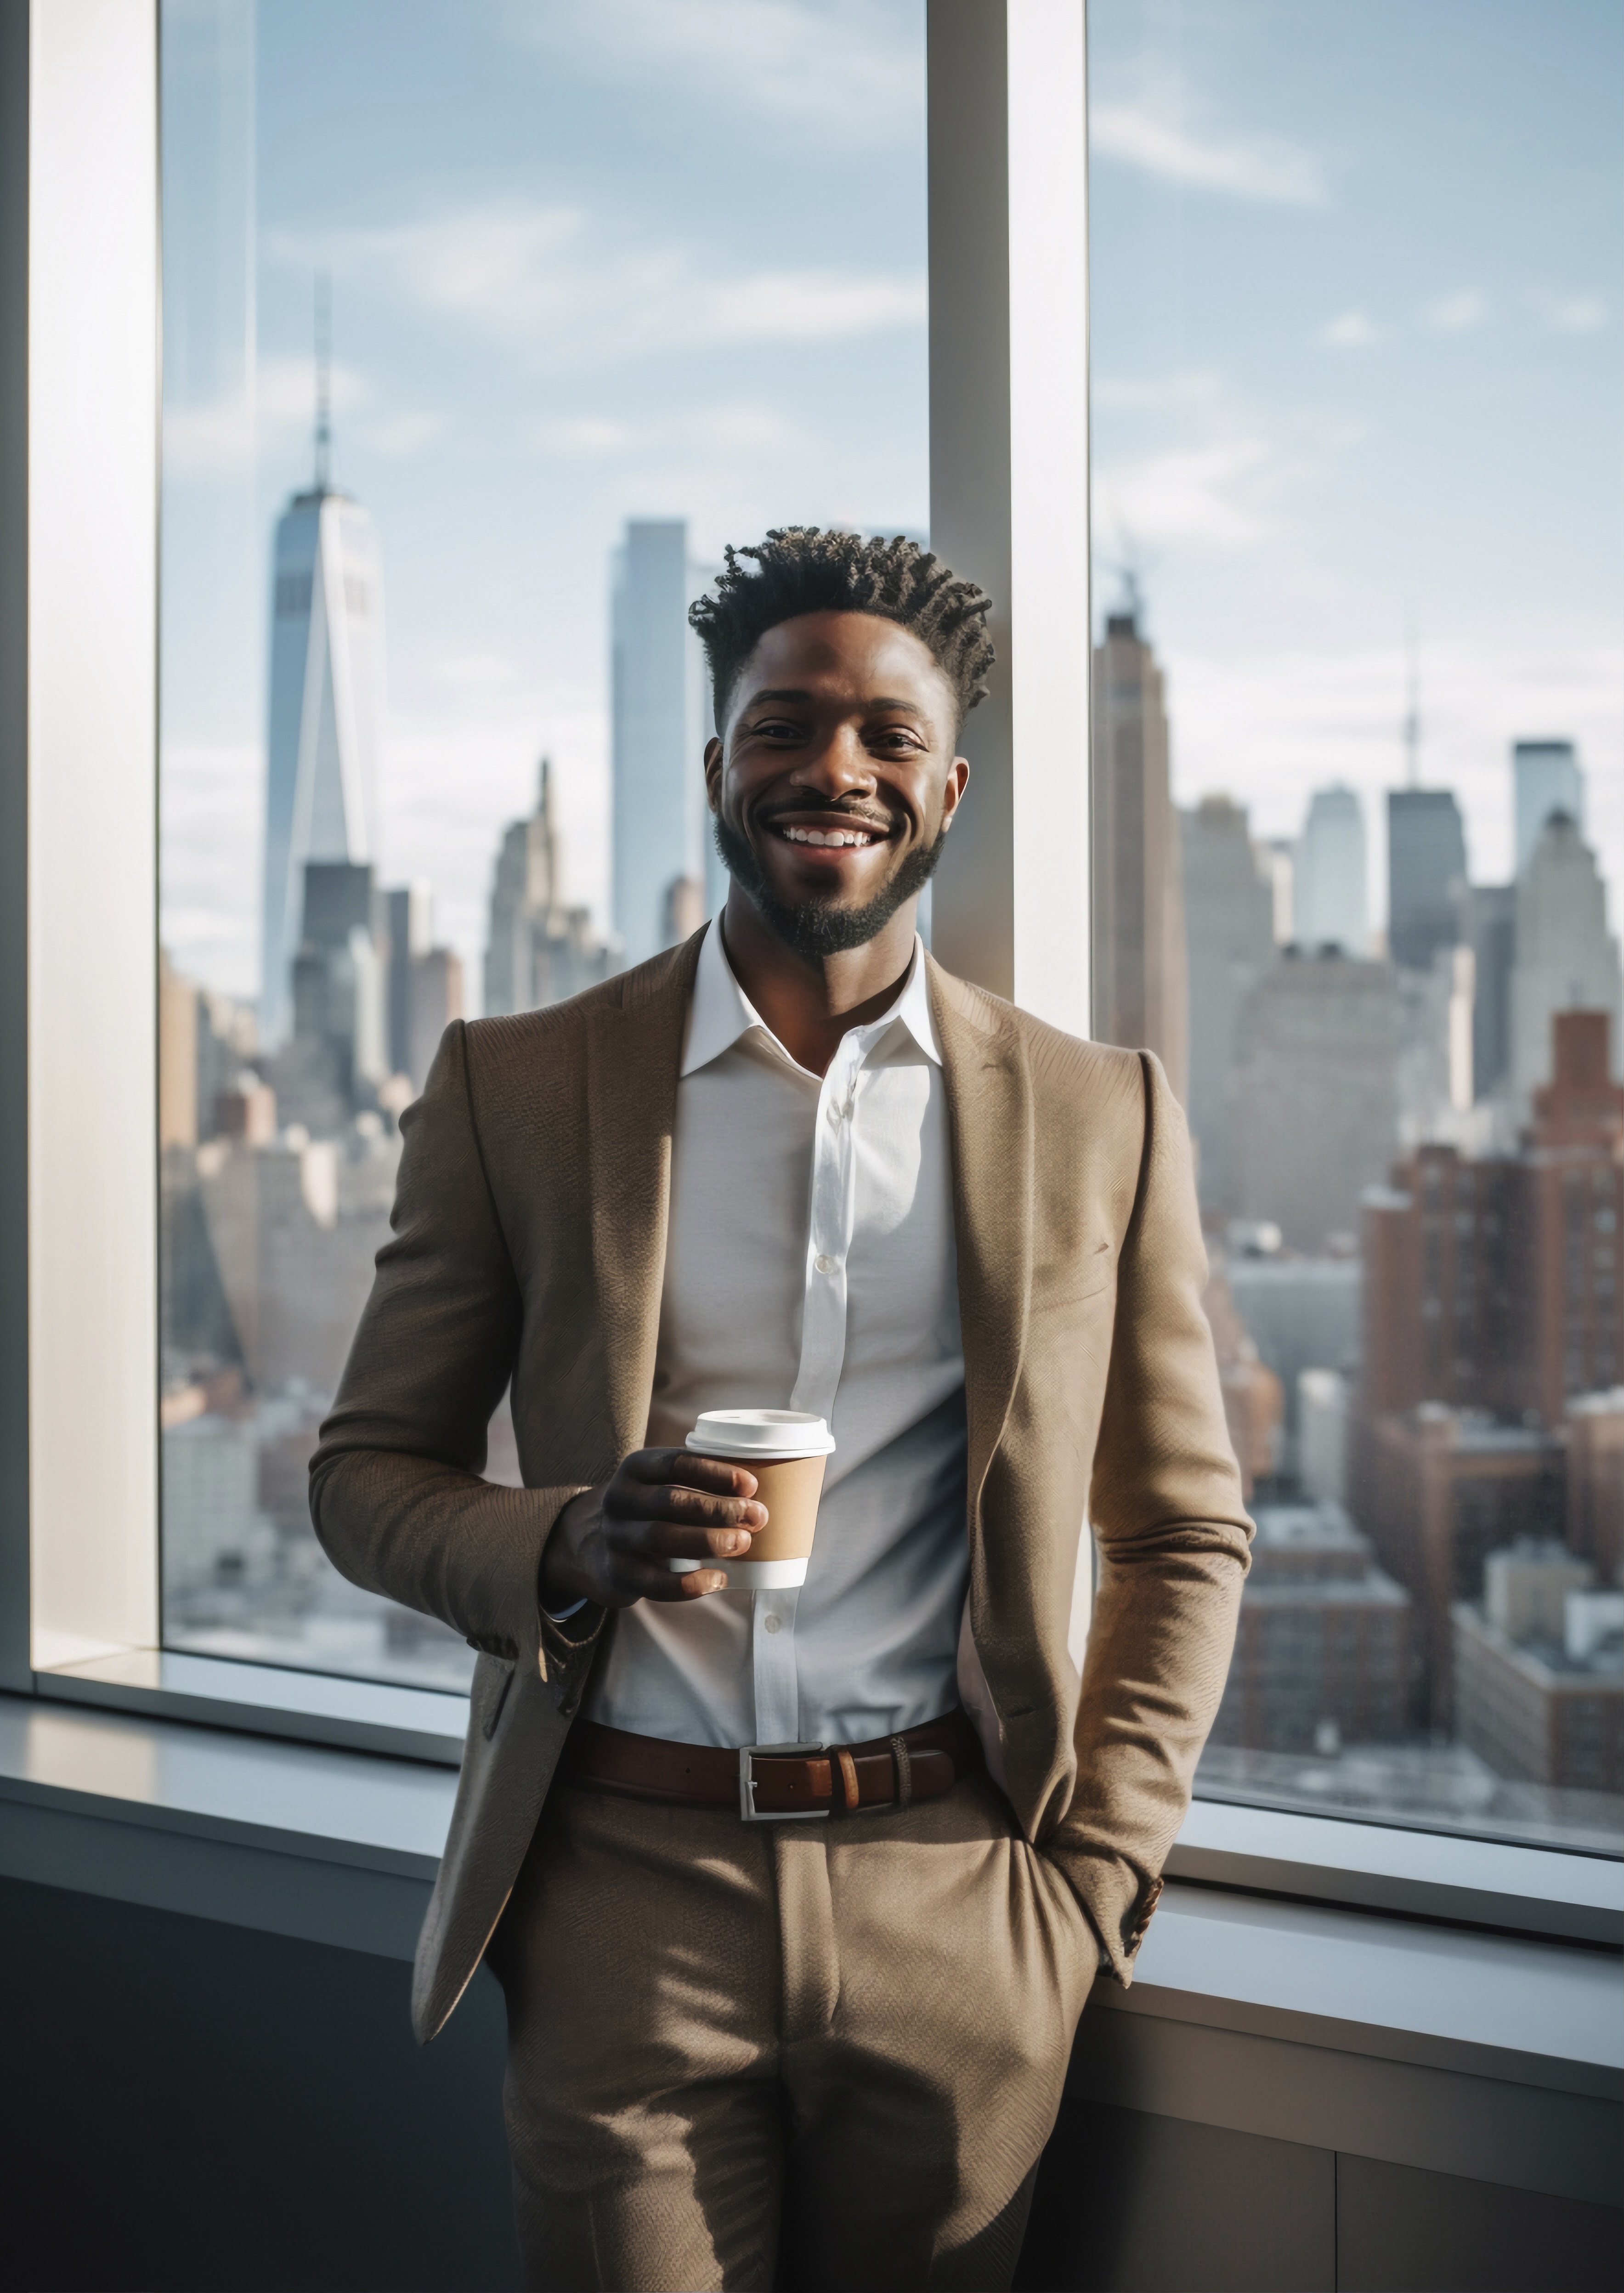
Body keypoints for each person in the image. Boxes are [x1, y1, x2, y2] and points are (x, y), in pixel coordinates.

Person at [311, 527, 1252, 2293]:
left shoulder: (1097, 1113)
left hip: (958, 1906)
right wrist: (565, 1543)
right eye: (785, 725)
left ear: (948, 789)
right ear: (718, 765)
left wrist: (1088, 1890)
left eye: (889, 736)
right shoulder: (519, 1085)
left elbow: (1184, 1529)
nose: (836, 768)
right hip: (621, 1894)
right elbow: (364, 1478)